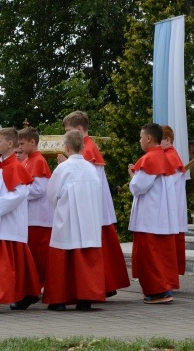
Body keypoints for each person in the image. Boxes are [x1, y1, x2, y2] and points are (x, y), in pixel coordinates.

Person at [60, 111, 130, 297]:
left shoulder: (87, 150)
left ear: (79, 129)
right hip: (96, 205)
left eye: (68, 131)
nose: (66, 135)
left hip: (91, 207)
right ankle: (106, 285)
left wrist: (66, 163)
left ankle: (100, 286)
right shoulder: (88, 147)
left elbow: (82, 180)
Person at [0, 128, 41, 315]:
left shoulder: (17, 167)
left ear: (10, 144)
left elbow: (21, 193)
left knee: (8, 262)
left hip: (8, 220)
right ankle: (0, 298)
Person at [44, 130, 105, 311]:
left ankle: (59, 300)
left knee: (63, 257)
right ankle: (85, 299)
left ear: (67, 147)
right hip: (89, 221)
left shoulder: (63, 168)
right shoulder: (91, 168)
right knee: (86, 257)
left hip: (68, 218)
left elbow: (52, 194)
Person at [128, 123, 178, 304]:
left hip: (149, 216)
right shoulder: (162, 157)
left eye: (141, 137)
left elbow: (139, 187)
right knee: (161, 255)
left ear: (149, 138)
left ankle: (158, 292)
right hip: (160, 215)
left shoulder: (149, 158)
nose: (140, 140)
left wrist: (133, 178)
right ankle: (164, 288)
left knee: (149, 256)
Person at [17, 127, 53, 295]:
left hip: (39, 217)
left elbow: (39, 189)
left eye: (22, 143)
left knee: (39, 256)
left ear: (33, 142)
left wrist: (17, 193)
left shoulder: (38, 161)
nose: (20, 147)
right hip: (30, 215)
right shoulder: (28, 160)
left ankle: (41, 286)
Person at [160, 125, 187, 276]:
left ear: (168, 140)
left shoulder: (170, 157)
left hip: (171, 208)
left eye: (159, 140)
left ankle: (168, 276)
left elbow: (165, 182)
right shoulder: (169, 155)